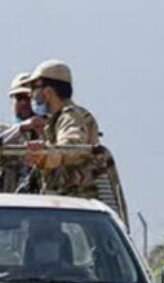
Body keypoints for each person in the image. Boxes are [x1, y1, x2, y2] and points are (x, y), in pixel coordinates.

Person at [23, 60, 102, 199]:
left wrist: (46, 154)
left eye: (34, 89)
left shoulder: (70, 116)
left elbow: (73, 146)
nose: (31, 95)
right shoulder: (56, 120)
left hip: (74, 203)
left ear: (47, 92)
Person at [0, 72, 45, 193]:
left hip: (42, 200)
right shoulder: (2, 130)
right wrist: (21, 128)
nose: (24, 103)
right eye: (19, 98)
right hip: (9, 198)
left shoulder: (49, 128)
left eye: (28, 98)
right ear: (11, 102)